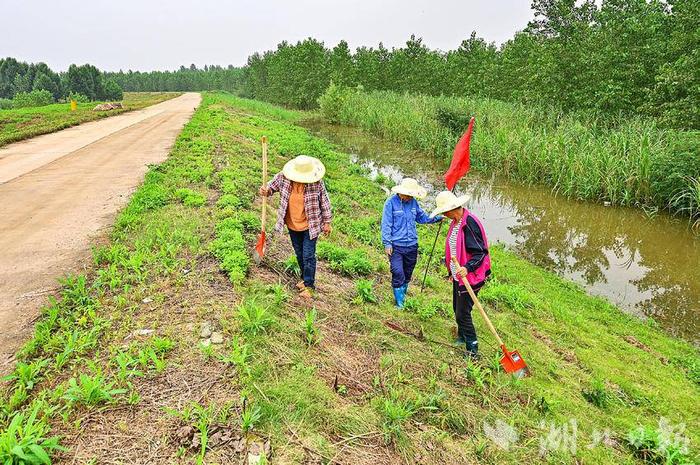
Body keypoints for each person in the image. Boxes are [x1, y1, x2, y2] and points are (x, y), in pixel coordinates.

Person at [259, 155, 332, 300]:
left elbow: (324, 202)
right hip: (292, 225)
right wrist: (265, 191)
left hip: (310, 225)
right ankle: (305, 279)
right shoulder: (283, 178)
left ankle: (310, 286)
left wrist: (327, 222)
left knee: (308, 255)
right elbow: (270, 187)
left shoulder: (316, 183)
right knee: (299, 254)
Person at [430, 191, 491, 359]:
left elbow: (480, 252)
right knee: (456, 308)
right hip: (458, 276)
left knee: (463, 313)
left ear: (451, 209)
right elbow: (455, 249)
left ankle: (472, 349)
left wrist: (467, 268)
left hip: (470, 277)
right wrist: (452, 271)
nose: (443, 214)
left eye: (444, 211)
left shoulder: (470, 223)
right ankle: (463, 337)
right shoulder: (456, 222)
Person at [381, 178, 443, 308]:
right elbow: (386, 224)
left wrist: (437, 218)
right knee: (397, 271)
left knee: (408, 273)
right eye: (407, 195)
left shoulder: (413, 203)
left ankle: (402, 296)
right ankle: (399, 304)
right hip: (396, 246)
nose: (409, 197)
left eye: (411, 195)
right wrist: (387, 243)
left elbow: (422, 217)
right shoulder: (390, 203)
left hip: (412, 245)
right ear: (401, 192)